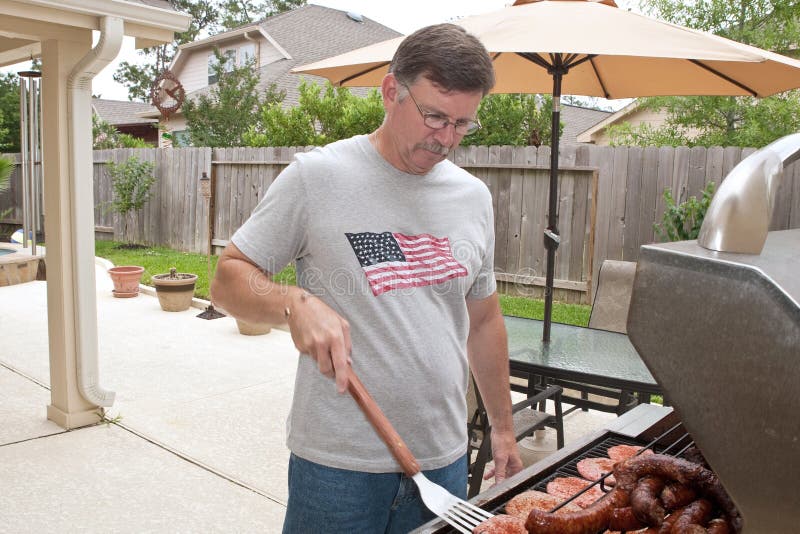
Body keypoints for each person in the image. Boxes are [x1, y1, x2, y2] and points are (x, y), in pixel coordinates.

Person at [211, 23, 522, 533]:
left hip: (444, 457)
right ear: (389, 91)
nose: (446, 139)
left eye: (463, 124)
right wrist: (292, 302)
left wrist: (503, 431)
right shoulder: (318, 177)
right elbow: (228, 279)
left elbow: (483, 320)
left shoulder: (472, 197)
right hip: (338, 468)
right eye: (434, 116)